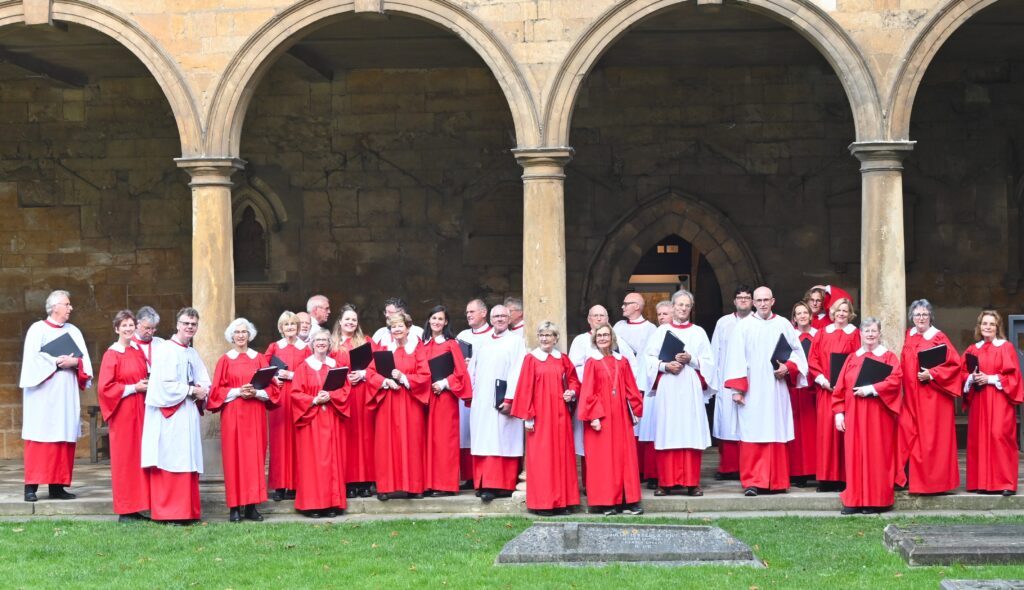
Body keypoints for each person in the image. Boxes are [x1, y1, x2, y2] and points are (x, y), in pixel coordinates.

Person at [723, 286, 808, 496]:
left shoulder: (784, 324)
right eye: (758, 300)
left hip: (776, 387)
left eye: (766, 300)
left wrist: (788, 368)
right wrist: (737, 389)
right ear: (753, 302)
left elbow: (797, 354)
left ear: (773, 301)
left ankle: (776, 482)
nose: (762, 303)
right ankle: (752, 482)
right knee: (752, 432)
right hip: (752, 388)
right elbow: (735, 357)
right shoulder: (744, 326)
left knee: (775, 430)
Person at [20, 290, 93, 502]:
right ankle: (31, 487)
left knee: (63, 437)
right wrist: (55, 361)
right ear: (54, 307)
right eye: (67, 304)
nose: (70, 308)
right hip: (42, 396)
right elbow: (32, 361)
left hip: (65, 395)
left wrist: (75, 363)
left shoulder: (74, 331)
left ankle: (57, 487)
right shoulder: (37, 329)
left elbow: (85, 361)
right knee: (40, 438)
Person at [140, 307, 210, 525]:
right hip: (170, 415)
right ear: (177, 324)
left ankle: (187, 511)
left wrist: (203, 389)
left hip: (187, 412)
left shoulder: (191, 352)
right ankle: (170, 512)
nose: (190, 327)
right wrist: (191, 391)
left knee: (186, 459)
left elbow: (204, 379)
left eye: (193, 324)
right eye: (186, 323)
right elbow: (164, 385)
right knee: (171, 460)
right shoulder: (166, 350)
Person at [642, 289, 713, 497]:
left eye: (687, 305)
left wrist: (691, 358)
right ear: (672, 307)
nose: (683, 309)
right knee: (668, 431)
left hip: (690, 385)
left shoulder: (698, 332)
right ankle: (666, 482)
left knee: (689, 431)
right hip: (669, 386)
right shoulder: (661, 332)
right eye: (679, 305)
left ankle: (692, 482)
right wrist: (665, 366)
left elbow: (709, 362)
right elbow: (647, 359)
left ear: (691, 308)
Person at [208, 318, 279, 523]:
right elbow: (216, 392)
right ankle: (234, 507)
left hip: (255, 413)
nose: (241, 335)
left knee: (254, 459)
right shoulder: (225, 360)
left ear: (250, 335)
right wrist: (239, 391)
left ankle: (251, 506)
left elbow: (273, 388)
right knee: (234, 460)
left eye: (244, 332)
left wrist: (256, 392)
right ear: (231, 335)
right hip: (233, 415)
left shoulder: (258, 359)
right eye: (237, 332)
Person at [510, 321, 582, 515]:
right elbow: (525, 389)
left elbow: (574, 380)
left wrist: (571, 392)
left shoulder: (563, 359)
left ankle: (563, 502)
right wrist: (528, 417)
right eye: (541, 335)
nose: (544, 339)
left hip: (560, 416)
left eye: (549, 335)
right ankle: (543, 503)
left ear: (556, 338)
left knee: (562, 458)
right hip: (540, 417)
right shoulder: (531, 359)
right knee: (542, 460)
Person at [833, 317, 902, 514]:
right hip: (854, 416)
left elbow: (895, 381)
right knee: (855, 456)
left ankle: (875, 500)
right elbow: (840, 387)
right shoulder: (852, 358)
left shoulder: (888, 357)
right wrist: (839, 413)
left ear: (879, 333)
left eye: (874, 331)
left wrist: (872, 389)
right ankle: (854, 500)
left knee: (876, 456)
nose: (870, 334)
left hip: (878, 416)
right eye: (866, 331)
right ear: (860, 334)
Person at [896, 299, 961, 494]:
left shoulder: (939, 337)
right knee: (908, 434)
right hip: (910, 399)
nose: (921, 318)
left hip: (933, 399)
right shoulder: (909, 336)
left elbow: (954, 364)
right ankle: (906, 478)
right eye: (917, 315)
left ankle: (933, 484)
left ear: (930, 316)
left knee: (932, 440)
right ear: (912, 318)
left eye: (924, 314)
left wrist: (932, 374)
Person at [579, 323, 644, 515]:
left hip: (621, 416)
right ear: (594, 340)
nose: (603, 338)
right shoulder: (592, 362)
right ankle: (608, 502)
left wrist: (636, 409)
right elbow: (588, 391)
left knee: (625, 458)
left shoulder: (621, 361)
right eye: (599, 336)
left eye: (606, 335)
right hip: (602, 417)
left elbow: (631, 386)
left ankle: (628, 501)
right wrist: (594, 416)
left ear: (612, 337)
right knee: (605, 460)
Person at [568, 305, 645, 465]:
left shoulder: (619, 341)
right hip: (590, 397)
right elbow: (574, 368)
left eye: (602, 315)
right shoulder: (580, 340)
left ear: (607, 319)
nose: (598, 318)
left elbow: (631, 366)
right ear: (589, 320)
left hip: (615, 400)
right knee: (591, 442)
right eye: (594, 316)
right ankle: (591, 484)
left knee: (616, 442)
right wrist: (596, 377)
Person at [369, 312, 431, 500]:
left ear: (407, 328)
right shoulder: (383, 347)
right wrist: (385, 382)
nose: (396, 330)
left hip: (410, 401)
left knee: (412, 441)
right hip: (388, 400)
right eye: (393, 326)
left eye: (400, 326)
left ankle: (414, 486)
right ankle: (385, 487)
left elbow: (425, 375)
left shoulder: (417, 348)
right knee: (386, 443)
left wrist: (403, 378)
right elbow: (371, 372)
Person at [961, 309, 1023, 496]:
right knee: (979, 439)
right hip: (980, 401)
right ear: (979, 327)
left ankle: (1005, 483)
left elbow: (1014, 377)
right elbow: (962, 373)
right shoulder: (973, 349)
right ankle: (981, 483)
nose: (987, 327)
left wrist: (989, 379)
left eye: (991, 324)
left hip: (999, 400)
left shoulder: (1005, 347)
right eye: (984, 323)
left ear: (997, 327)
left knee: (999, 437)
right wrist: (971, 377)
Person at [469, 304, 527, 501]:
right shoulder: (483, 341)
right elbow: (473, 369)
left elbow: (518, 371)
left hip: (502, 400)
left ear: (510, 319)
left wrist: (510, 398)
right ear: (490, 319)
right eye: (496, 316)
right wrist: (471, 393)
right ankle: (483, 482)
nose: (500, 319)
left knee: (501, 440)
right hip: (481, 400)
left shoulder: (516, 341)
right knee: (482, 440)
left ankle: (500, 485)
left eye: (504, 316)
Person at [97, 310, 150, 521]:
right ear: (116, 329)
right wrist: (133, 388)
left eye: (131, 325)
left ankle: (137, 507)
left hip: (141, 410)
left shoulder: (137, 351)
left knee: (139, 459)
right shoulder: (112, 354)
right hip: (123, 413)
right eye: (124, 325)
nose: (128, 329)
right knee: (125, 460)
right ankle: (125, 510)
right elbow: (105, 388)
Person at [291, 329, 349, 518]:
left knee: (332, 461)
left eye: (324, 340)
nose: (321, 343)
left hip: (332, 418)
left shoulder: (337, 366)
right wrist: (315, 400)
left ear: (329, 344)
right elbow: (296, 394)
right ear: (312, 343)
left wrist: (330, 396)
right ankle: (313, 505)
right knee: (313, 463)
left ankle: (332, 503)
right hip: (312, 420)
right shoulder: (303, 368)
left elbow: (346, 390)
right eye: (318, 340)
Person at [807, 297, 860, 492]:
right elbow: (813, 361)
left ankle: (844, 478)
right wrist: (824, 381)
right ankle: (826, 479)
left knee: (844, 432)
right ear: (832, 312)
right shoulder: (822, 334)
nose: (841, 314)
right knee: (826, 433)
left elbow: (858, 360)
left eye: (845, 310)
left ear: (850, 313)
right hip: (826, 390)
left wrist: (844, 384)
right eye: (838, 310)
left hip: (846, 392)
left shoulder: (855, 334)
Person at [421, 305, 472, 497]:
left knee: (444, 441)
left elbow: (460, 373)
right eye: (433, 318)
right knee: (428, 441)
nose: (436, 322)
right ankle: (429, 483)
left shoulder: (452, 345)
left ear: (446, 322)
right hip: (426, 399)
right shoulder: (422, 346)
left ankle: (446, 484)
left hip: (444, 399)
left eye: (440, 319)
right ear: (428, 320)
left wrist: (444, 383)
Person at [329, 305, 376, 498]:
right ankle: (347, 481)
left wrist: (364, 374)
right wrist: (345, 378)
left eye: (354, 320)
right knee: (345, 437)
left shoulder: (365, 342)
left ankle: (365, 481)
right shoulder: (331, 344)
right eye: (347, 319)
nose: (350, 323)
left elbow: (376, 364)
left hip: (362, 392)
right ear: (340, 322)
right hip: (342, 395)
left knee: (364, 436)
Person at [708, 286, 754, 481]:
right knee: (727, 423)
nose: (743, 300)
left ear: (752, 301)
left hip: (752, 381)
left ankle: (748, 467)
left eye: (747, 298)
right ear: (734, 301)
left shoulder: (757, 322)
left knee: (749, 424)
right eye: (739, 298)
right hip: (726, 379)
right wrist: (714, 380)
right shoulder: (724, 322)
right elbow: (714, 352)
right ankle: (728, 467)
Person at [264, 311, 310, 502]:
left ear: (298, 327)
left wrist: (293, 376)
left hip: (298, 397)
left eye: (293, 324)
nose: (290, 328)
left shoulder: (306, 348)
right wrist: (274, 377)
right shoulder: (274, 347)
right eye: (286, 325)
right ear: (281, 328)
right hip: (280, 396)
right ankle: (280, 485)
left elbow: (311, 371)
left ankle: (298, 483)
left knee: (298, 439)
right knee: (280, 440)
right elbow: (263, 368)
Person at [613, 292, 658, 483]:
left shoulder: (651, 329)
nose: (622, 307)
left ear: (637, 306)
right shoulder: (617, 327)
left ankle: (644, 469)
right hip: (620, 380)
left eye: (626, 304)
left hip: (642, 381)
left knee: (643, 426)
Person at [455, 298, 492, 487]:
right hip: (464, 392)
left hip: (484, 392)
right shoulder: (462, 335)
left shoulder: (493, 335)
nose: (468, 315)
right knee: (465, 432)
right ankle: (468, 476)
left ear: (484, 313)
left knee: (483, 431)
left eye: (472, 311)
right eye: (467, 312)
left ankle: (484, 475)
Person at [787, 301, 818, 487]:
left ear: (810, 315)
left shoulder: (819, 335)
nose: (802, 316)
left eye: (805, 312)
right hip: (795, 388)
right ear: (794, 317)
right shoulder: (790, 336)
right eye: (798, 313)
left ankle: (815, 468)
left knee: (814, 430)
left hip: (814, 388)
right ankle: (797, 472)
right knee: (796, 430)